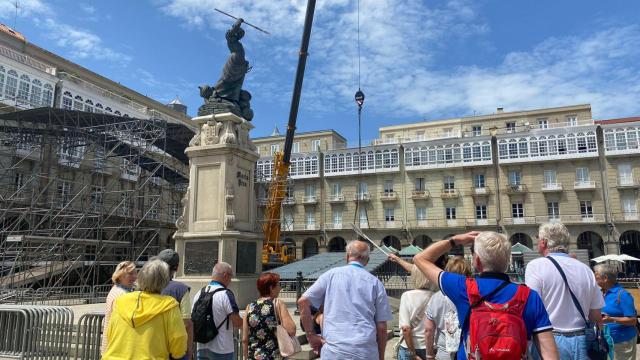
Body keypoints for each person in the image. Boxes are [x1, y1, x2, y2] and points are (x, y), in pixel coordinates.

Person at [413, 231, 558, 360]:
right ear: (508, 261)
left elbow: (420, 259)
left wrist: (455, 240)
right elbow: (550, 354)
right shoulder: (529, 296)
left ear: (477, 261)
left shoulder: (464, 288)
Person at [298, 240, 392, 359]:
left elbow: (303, 302)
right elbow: (382, 327)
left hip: (334, 351)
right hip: (365, 351)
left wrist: (310, 335)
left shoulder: (330, 275)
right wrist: (381, 356)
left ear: (347, 256)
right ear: (367, 260)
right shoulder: (375, 283)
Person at [525, 222, 604, 359]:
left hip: (550, 339)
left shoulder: (536, 266)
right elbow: (595, 315)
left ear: (543, 242)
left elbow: (532, 309)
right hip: (583, 340)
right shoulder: (585, 269)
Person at [102, 259, 187, 359]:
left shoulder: (121, 301)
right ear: (164, 280)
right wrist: (179, 354)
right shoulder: (169, 305)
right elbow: (178, 340)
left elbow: (110, 333)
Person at [192, 262, 243, 360]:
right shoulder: (225, 294)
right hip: (222, 349)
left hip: (201, 348)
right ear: (225, 275)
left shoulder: (199, 293)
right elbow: (237, 323)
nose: (231, 280)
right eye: (230, 276)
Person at [425, 256, 472, 360]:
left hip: (444, 353)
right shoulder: (472, 296)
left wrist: (429, 355)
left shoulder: (436, 298)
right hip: (467, 352)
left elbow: (428, 330)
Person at [242, 272, 296, 359]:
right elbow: (291, 330)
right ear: (271, 288)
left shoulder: (250, 307)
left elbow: (244, 339)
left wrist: (245, 356)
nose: (280, 288)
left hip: (254, 356)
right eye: (278, 285)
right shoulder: (278, 303)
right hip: (274, 356)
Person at [154, 249, 194, 360]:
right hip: (175, 349)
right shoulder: (181, 289)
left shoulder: (146, 287)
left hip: (153, 346)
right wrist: (189, 351)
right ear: (176, 267)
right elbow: (186, 323)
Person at [594, 263, 637, 359]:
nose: (594, 280)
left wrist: (611, 319)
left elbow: (633, 321)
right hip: (607, 339)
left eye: (596, 277)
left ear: (605, 278)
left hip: (623, 341)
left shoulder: (623, 295)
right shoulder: (602, 292)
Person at [397, 256, 437, 360]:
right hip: (430, 347)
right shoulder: (436, 296)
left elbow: (405, 328)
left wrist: (413, 354)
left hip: (408, 347)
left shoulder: (407, 296)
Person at [100, 261, 136, 355]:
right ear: (120, 276)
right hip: (116, 346)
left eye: (135, 273)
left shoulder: (117, 290)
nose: (134, 277)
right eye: (130, 274)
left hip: (113, 344)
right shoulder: (121, 294)